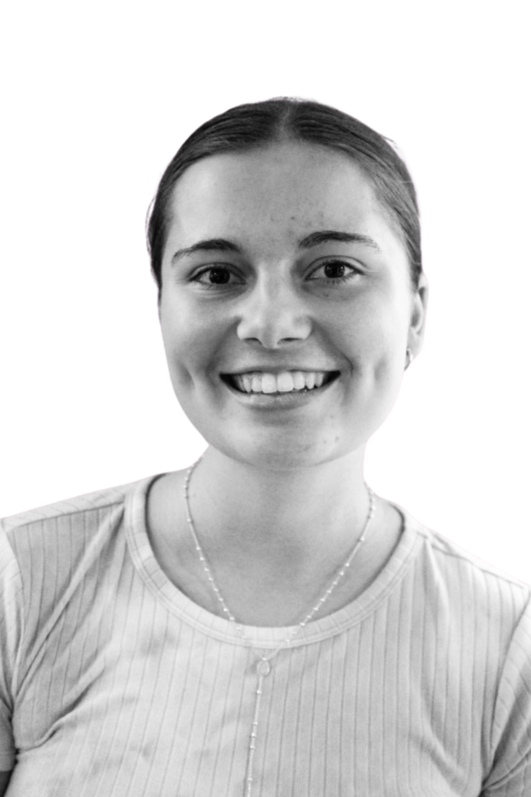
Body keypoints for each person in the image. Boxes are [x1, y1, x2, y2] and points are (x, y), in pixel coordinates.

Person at [0, 97, 529, 796]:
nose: (272, 324)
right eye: (218, 274)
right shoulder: (19, 580)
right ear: (162, 312)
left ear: (415, 315)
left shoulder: (506, 645)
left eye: (333, 269)